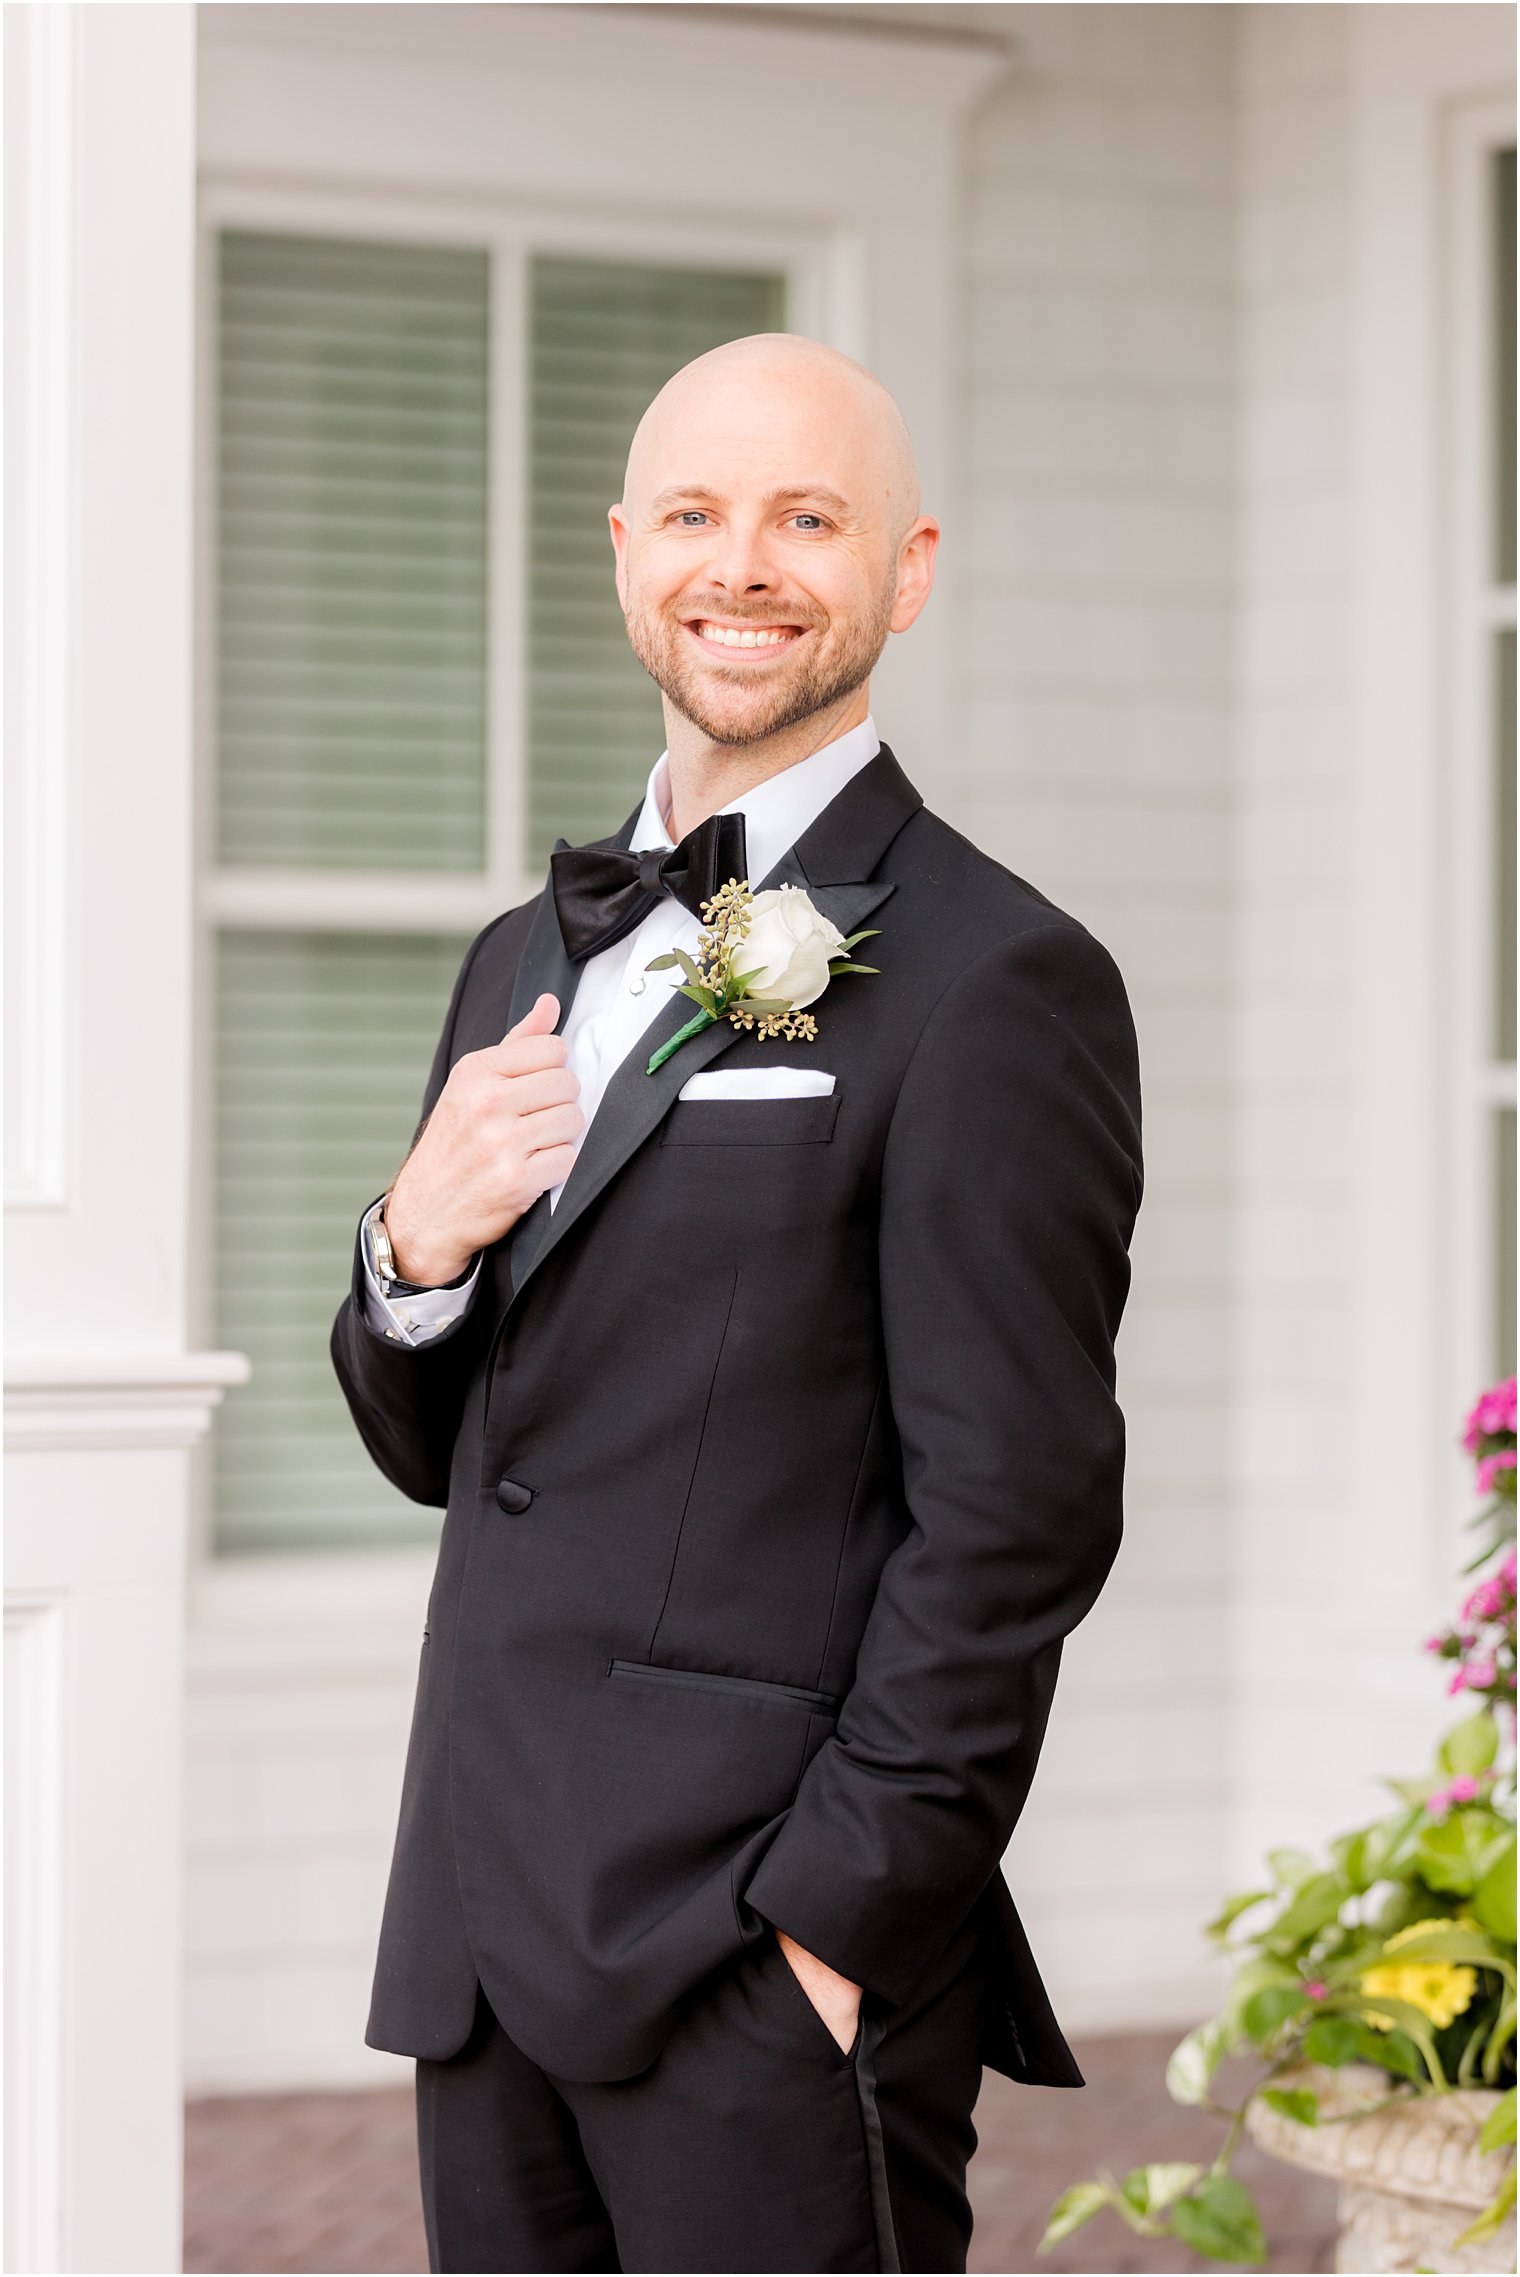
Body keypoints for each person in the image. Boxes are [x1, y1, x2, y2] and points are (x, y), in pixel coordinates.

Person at [331, 333, 1143, 2275]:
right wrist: (411, 1249)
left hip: (755, 1954)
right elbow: (442, 1445)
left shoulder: (997, 979)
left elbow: (1015, 1518)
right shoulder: (526, 953)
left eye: (807, 515)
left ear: (907, 566)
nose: (741, 562)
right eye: (694, 512)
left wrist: (832, 1928)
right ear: (626, 553)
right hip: (484, 1920)